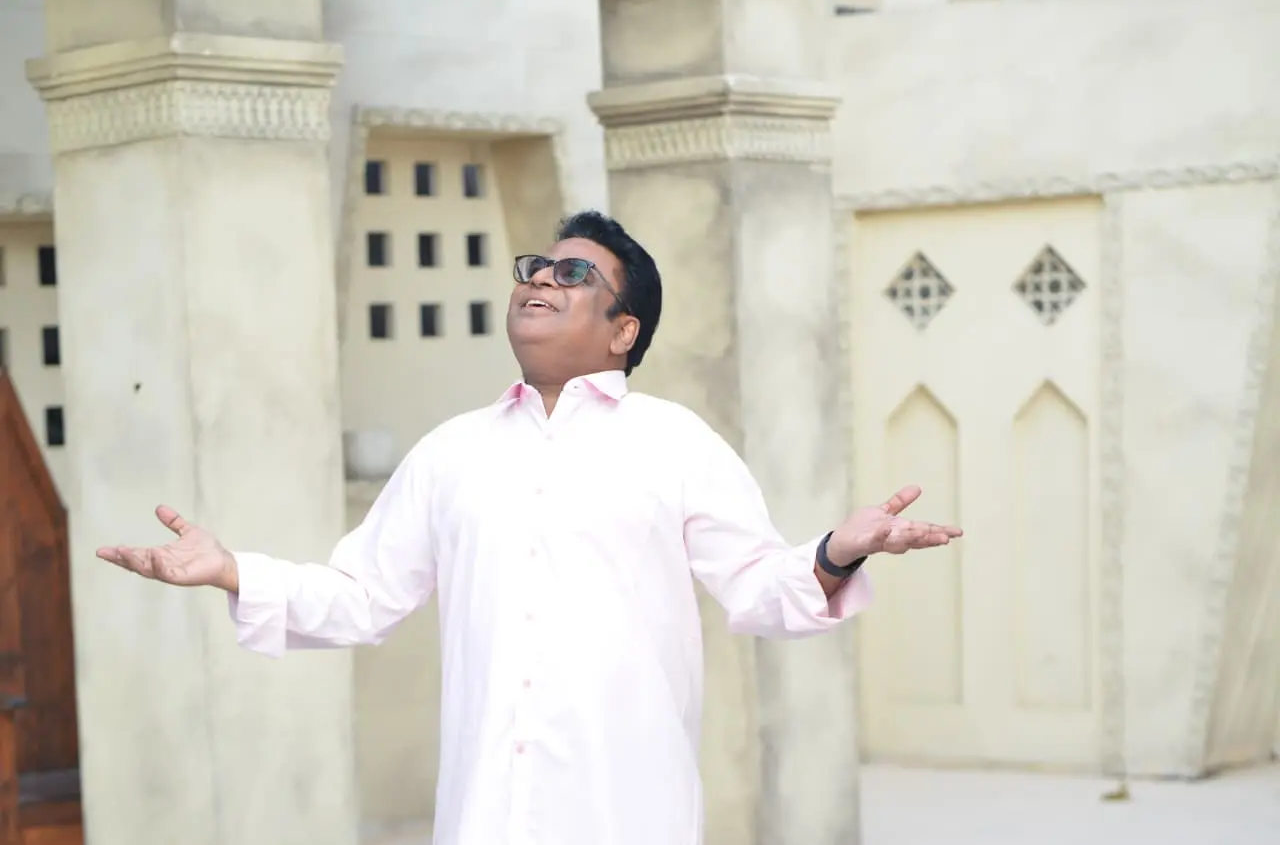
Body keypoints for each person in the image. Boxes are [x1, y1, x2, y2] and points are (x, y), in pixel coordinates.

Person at [97, 210, 962, 845]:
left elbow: (761, 589)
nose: (541, 280)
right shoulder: (451, 452)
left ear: (624, 331)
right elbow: (362, 596)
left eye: (573, 274)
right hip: (487, 817)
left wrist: (835, 552)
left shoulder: (674, 442)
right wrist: (232, 571)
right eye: (537, 268)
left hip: (626, 814)